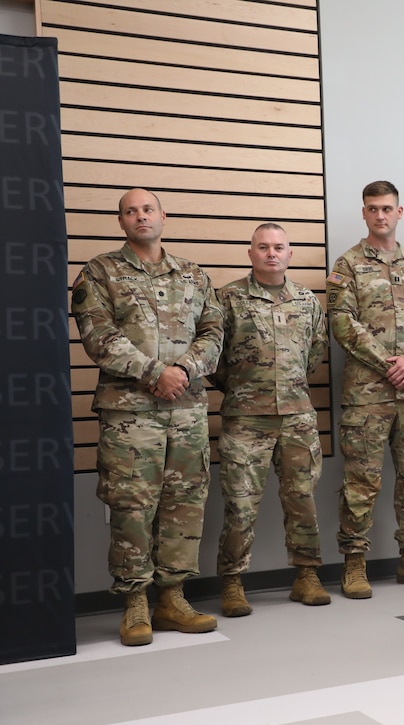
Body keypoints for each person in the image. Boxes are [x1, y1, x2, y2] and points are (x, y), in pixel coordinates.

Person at [71, 188, 224, 646]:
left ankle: (172, 598)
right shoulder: (99, 272)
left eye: (148, 209)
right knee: (132, 505)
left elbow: (215, 331)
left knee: (184, 504)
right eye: (130, 211)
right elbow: (97, 333)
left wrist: (185, 371)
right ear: (120, 222)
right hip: (129, 413)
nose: (140, 216)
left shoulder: (195, 275)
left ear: (163, 217)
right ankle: (135, 601)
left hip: (188, 411)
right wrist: (156, 372)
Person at [326, 180, 404, 597]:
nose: (380, 215)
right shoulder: (348, 265)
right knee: (361, 482)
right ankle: (354, 564)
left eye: (387, 208)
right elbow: (342, 323)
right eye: (373, 208)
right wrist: (387, 364)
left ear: (400, 212)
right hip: (367, 396)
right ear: (364, 213)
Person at [212, 223, 330, 616]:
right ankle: (232, 582)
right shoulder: (227, 299)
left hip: (297, 416)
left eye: (279, 247)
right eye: (263, 247)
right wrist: (247, 391)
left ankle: (307, 575)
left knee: (302, 501)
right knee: (240, 505)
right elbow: (214, 361)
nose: (271, 253)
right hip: (246, 419)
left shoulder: (308, 301)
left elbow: (315, 353)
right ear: (251, 253)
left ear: (290, 254)